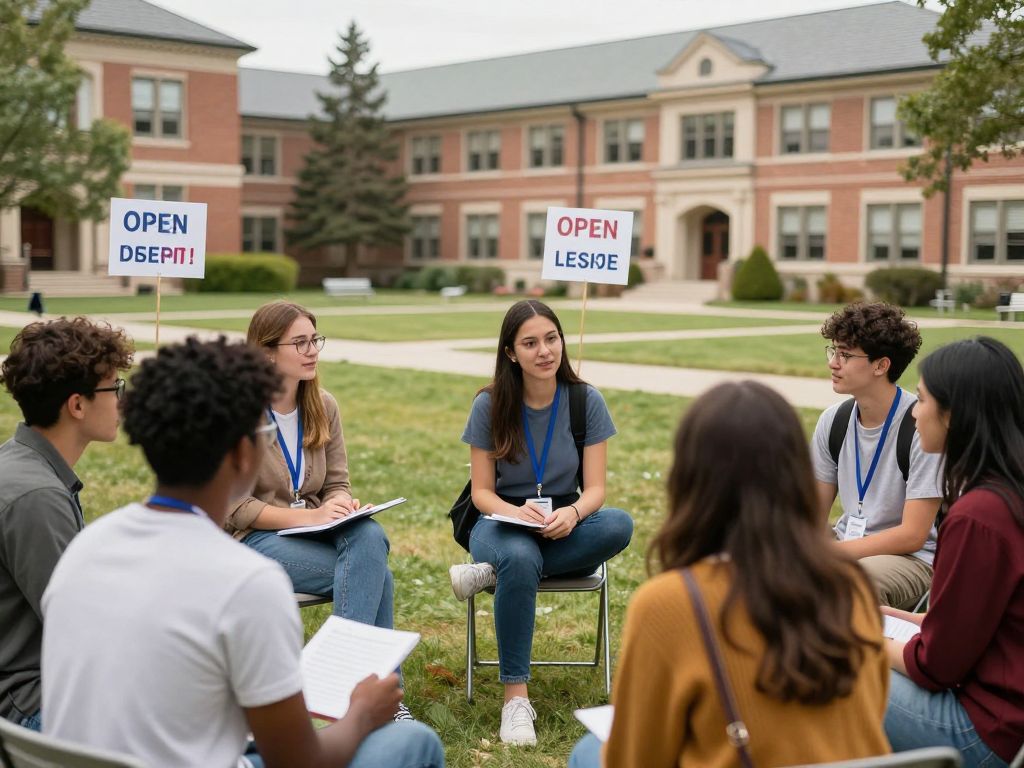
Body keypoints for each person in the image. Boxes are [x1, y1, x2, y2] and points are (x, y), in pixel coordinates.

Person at [40, 337, 445, 768]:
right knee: (414, 742)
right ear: (243, 451)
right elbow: (301, 762)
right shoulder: (248, 584)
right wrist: (362, 711)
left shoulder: (86, 549)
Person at [570, 380, 890, 768]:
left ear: (690, 479)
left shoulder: (668, 603)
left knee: (589, 753)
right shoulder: (850, 585)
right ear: (796, 475)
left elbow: (635, 758)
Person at [448, 299, 633, 747]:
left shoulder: (585, 400)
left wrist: (572, 513)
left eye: (551, 338)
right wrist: (517, 514)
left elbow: (595, 491)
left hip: (563, 520)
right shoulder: (489, 404)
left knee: (618, 525)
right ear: (511, 352)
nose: (544, 350)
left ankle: (495, 575)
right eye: (530, 343)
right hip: (500, 521)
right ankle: (515, 698)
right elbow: (481, 493)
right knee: (517, 552)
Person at [225, 302, 405, 714]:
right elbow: (236, 507)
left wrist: (340, 504)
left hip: (312, 535)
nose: (312, 351)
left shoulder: (323, 405)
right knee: (378, 577)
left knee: (369, 535)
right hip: (252, 540)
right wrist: (309, 516)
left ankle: (349, 691)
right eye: (300, 342)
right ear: (267, 352)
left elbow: (337, 483)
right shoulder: (238, 410)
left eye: (314, 340)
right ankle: (377, 699)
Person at [882, 337, 1024, 768]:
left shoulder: (980, 516)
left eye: (922, 399)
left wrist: (858, 636)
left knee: (824, 661)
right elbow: (984, 626)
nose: (913, 411)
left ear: (955, 413)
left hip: (985, 731)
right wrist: (899, 619)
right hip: (1008, 711)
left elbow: (937, 667)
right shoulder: (1008, 493)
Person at [0, 317, 133, 730]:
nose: (120, 401)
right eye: (115, 389)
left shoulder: (19, 463)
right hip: (35, 704)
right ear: (77, 405)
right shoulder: (37, 497)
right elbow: (85, 631)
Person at [812, 302, 943, 608]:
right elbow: (811, 516)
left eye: (846, 354)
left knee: (855, 582)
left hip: (910, 559)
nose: (834, 363)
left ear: (881, 366)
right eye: (833, 351)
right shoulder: (833, 421)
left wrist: (830, 556)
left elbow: (913, 535)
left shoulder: (921, 425)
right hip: (846, 545)